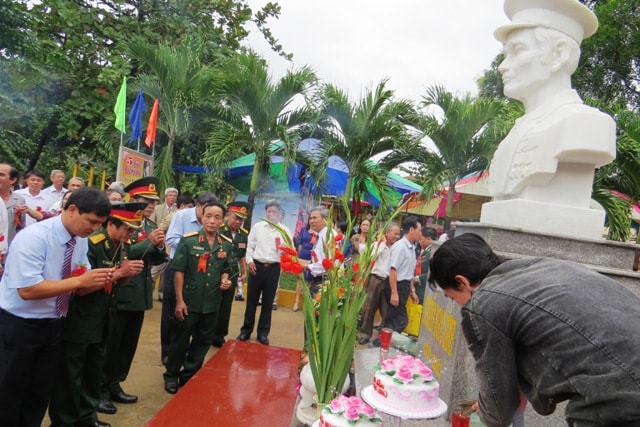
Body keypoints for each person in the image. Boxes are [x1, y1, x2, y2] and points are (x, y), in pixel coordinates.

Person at [428, 233, 640, 426]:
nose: (459, 305)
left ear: (462, 282)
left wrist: (488, 411)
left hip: (620, 397)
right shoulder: (539, 268)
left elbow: (498, 406)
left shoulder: (484, 303)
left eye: (452, 298)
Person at [482, 0, 616, 238]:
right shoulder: (518, 129)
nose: (503, 66)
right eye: (505, 54)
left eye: (518, 50)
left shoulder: (586, 124)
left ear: (559, 54)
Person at [0, 187, 114, 427]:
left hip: (54, 325)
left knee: (38, 392)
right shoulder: (34, 237)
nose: (94, 228)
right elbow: (28, 290)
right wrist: (79, 281)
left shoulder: (79, 240)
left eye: (100, 224)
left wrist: (108, 277)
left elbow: (80, 283)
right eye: (91, 221)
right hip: (19, 326)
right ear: (72, 209)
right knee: (10, 392)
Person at [48, 203, 146, 427]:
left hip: (104, 317)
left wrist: (127, 274)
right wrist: (119, 273)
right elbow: (81, 287)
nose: (130, 235)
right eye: (127, 229)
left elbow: (118, 283)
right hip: (81, 319)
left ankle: (87, 417)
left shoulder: (121, 245)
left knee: (93, 371)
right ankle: (65, 421)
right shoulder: (92, 244)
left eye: (132, 230)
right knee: (71, 376)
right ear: (111, 224)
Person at [99, 177, 167, 414]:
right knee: (112, 344)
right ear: (133, 199)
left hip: (140, 294)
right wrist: (147, 243)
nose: (150, 205)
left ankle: (116, 384)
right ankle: (101, 390)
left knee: (127, 346)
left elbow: (156, 260)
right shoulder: (119, 220)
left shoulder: (148, 225)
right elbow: (122, 253)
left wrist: (159, 247)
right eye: (145, 200)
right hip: (121, 292)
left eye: (153, 201)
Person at [163, 201, 233, 394]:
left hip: (211, 302)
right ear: (202, 216)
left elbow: (227, 269)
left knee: (203, 341)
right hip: (189, 301)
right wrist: (179, 300)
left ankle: (189, 375)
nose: (212, 221)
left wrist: (225, 280)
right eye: (208, 215)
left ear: (222, 220)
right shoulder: (189, 240)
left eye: (217, 217)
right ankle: (171, 375)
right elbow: (179, 271)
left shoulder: (225, 243)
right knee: (180, 339)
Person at [161, 192, 218, 364]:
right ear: (199, 206)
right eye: (207, 212)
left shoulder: (213, 221)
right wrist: (193, 250)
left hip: (199, 275)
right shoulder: (182, 216)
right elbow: (170, 239)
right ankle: (168, 352)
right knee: (172, 313)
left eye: (214, 215)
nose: (210, 218)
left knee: (191, 314)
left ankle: (184, 352)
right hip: (179, 268)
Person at [237, 199, 291, 345]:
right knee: (251, 302)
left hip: (273, 268)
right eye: (269, 211)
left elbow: (288, 251)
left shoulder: (285, 231)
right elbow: (249, 246)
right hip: (256, 267)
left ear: (280, 214)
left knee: (267, 303)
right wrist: (249, 261)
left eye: (274, 212)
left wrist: (284, 252)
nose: (271, 214)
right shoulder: (258, 226)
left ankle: (263, 333)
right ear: (266, 212)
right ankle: (245, 331)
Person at [212, 201, 249, 348]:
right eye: (236, 217)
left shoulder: (243, 235)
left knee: (225, 307)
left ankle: (219, 335)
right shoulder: (219, 230)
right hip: (217, 273)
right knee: (213, 304)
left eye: (241, 219)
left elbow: (241, 255)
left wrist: (244, 272)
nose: (238, 221)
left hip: (232, 274)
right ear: (228, 215)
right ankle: (207, 333)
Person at [358, 222, 400, 345]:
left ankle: (382, 337)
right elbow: (370, 256)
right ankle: (366, 334)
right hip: (375, 279)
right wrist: (381, 244)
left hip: (389, 281)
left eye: (398, 233)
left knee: (386, 310)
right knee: (369, 307)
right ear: (387, 233)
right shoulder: (377, 245)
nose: (397, 236)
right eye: (394, 233)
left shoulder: (398, 247)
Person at [381, 216, 421, 335]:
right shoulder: (400, 247)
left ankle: (382, 343)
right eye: (419, 230)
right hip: (396, 285)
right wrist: (394, 293)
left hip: (404, 286)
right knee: (400, 320)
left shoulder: (412, 247)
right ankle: (380, 342)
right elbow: (393, 270)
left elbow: (409, 272)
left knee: (392, 317)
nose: (420, 234)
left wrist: (412, 290)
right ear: (411, 230)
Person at [300, 206, 335, 297]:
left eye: (315, 218)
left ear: (326, 219)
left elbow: (328, 262)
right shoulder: (319, 234)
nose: (311, 221)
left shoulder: (330, 236)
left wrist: (307, 266)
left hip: (326, 280)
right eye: (310, 218)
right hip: (318, 279)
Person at [0, 164, 26, 251]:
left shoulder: (19, 200)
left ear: (12, 180)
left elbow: (20, 227)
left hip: (9, 247)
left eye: (1, 174)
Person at [414, 227, 437, 304]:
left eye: (421, 239)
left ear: (428, 239)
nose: (419, 241)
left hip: (423, 289)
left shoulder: (432, 252)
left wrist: (417, 279)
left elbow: (432, 273)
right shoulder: (426, 251)